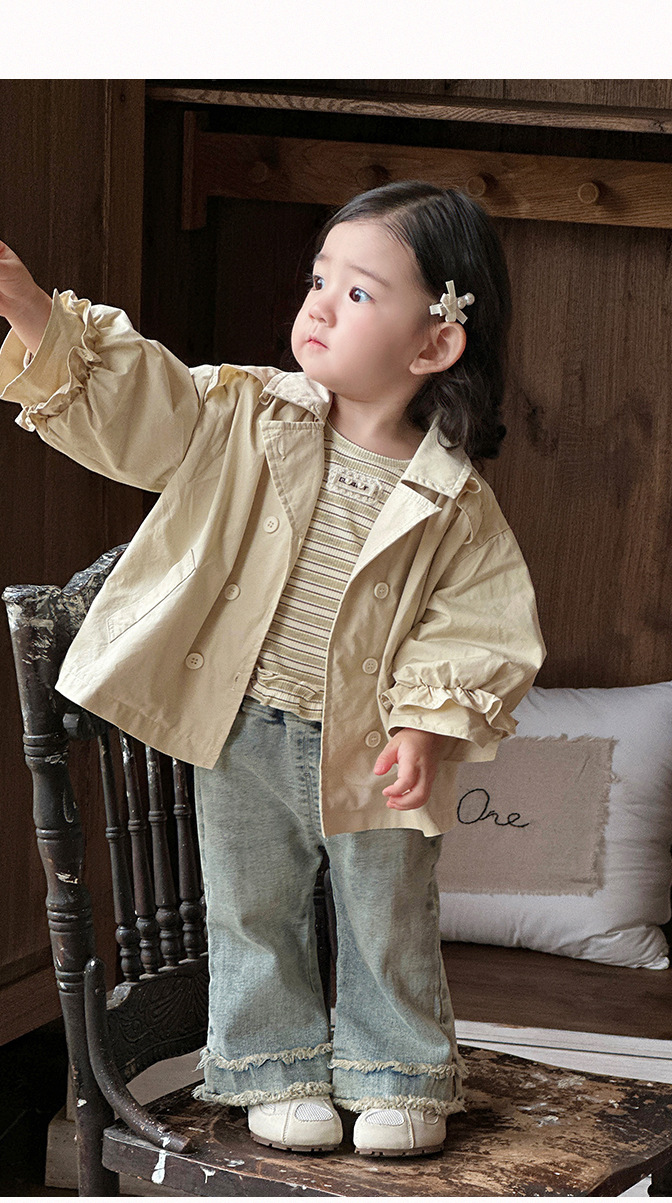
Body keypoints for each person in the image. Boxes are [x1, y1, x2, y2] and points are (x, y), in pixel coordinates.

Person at [0, 181, 545, 1157]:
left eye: (358, 292)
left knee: (387, 912)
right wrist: (36, 313)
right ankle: (273, 1066)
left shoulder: (450, 499)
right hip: (241, 723)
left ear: (434, 344)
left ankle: (396, 1074)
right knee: (249, 905)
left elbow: (475, 624)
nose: (320, 306)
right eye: (317, 280)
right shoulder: (247, 415)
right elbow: (147, 404)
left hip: (370, 745)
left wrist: (425, 723)